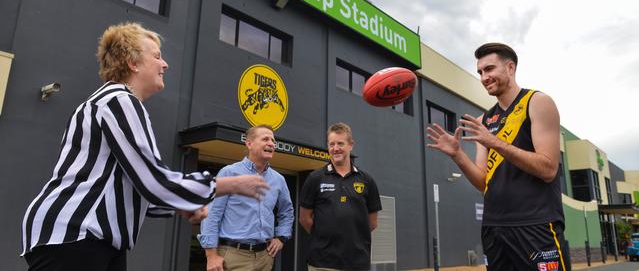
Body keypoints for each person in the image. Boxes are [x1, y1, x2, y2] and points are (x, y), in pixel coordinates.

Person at [21, 22, 269, 271]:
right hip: (78, 235)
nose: (165, 64)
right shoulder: (119, 101)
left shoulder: (106, 102)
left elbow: (128, 185)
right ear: (133, 62)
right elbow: (152, 181)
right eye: (157, 56)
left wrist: (180, 204)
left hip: (87, 237)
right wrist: (229, 184)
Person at [426, 42, 568, 271]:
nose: (484, 77)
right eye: (480, 72)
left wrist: (493, 141)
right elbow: (484, 182)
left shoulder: (537, 102)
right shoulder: (484, 121)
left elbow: (548, 169)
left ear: (510, 68)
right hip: (495, 228)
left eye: (490, 69)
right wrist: (458, 155)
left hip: (535, 225)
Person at [198, 124, 294, 271]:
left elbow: (287, 211)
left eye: (273, 141)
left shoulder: (278, 179)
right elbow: (211, 214)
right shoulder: (229, 173)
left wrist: (281, 237)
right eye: (265, 139)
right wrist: (211, 255)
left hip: (265, 258)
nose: (271, 144)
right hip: (232, 256)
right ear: (249, 143)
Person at [299, 122, 382, 271]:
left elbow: (372, 222)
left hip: (357, 263)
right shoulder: (315, 178)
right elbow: (304, 218)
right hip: (321, 263)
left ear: (351, 145)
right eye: (331, 144)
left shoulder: (367, 180)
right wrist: (324, 236)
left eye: (340, 143)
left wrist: (351, 235)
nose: (335, 148)